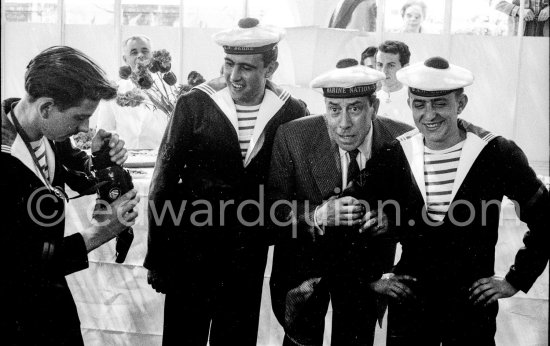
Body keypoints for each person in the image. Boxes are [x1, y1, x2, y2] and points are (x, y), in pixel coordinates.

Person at [352, 56, 549, 345]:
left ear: (462, 103)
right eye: (419, 104)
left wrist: (516, 279)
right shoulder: (395, 154)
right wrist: (369, 275)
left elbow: (546, 217)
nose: (429, 115)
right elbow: (347, 210)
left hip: (472, 303)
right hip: (410, 302)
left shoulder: (495, 152)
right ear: (409, 105)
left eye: (440, 103)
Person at [143, 17, 309, 345]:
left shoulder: (292, 111)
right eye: (229, 64)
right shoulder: (194, 104)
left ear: (270, 68)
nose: (234, 76)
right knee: (182, 336)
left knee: (235, 338)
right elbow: (162, 180)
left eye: (246, 68)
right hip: (191, 248)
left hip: (247, 253)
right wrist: (157, 256)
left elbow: (293, 187)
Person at [268, 59, 413, 346]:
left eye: (355, 109)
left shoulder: (404, 138)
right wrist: (318, 215)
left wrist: (392, 218)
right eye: (334, 110)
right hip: (304, 275)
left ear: (375, 107)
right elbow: (272, 210)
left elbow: (418, 208)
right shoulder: (293, 135)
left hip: (367, 276)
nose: (343, 124)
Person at [3, 46, 140, 345]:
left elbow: (80, 176)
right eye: (80, 117)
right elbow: (23, 261)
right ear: (46, 107)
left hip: (49, 301)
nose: (85, 128)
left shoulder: (44, 131)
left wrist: (103, 161)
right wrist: (102, 232)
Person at [95, 35, 169, 149]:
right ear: (125, 59)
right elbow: (105, 130)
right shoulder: (113, 92)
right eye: (134, 52)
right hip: (124, 158)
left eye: (145, 51)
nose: (140, 56)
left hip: (159, 157)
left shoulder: (167, 90)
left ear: (152, 56)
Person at [375, 40, 415, 126]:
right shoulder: (370, 100)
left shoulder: (414, 102)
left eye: (391, 65)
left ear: (405, 68)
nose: (384, 71)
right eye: (380, 65)